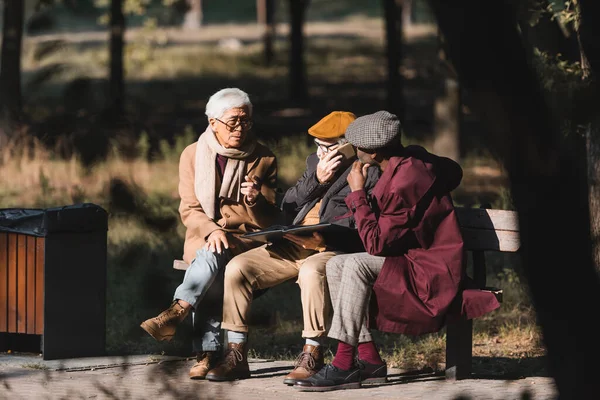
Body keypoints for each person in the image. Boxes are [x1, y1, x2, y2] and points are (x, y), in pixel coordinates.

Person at [295, 110, 501, 392]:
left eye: (357, 147)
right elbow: (454, 171)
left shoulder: (405, 182)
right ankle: (369, 361)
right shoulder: (413, 157)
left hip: (431, 271)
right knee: (336, 264)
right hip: (411, 256)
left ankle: (343, 364)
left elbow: (376, 245)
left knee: (354, 265)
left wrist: (357, 194)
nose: (355, 152)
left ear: (373, 151)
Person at [204, 111, 381, 384]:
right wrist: (318, 180)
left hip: (331, 249)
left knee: (311, 272)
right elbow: (288, 205)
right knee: (238, 267)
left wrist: (325, 240)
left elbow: (362, 224)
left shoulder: (366, 173)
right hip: (294, 243)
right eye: (317, 146)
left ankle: (313, 352)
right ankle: (236, 353)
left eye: (328, 147)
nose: (320, 153)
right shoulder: (315, 163)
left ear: (347, 146)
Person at [140, 88, 280, 380]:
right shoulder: (192, 154)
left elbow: (269, 219)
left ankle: (183, 319)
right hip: (204, 238)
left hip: (247, 241)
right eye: (233, 122)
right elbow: (189, 209)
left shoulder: (264, 157)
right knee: (213, 259)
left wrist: (254, 200)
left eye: (246, 121)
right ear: (213, 121)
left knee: (215, 257)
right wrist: (213, 229)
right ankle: (207, 351)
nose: (240, 128)